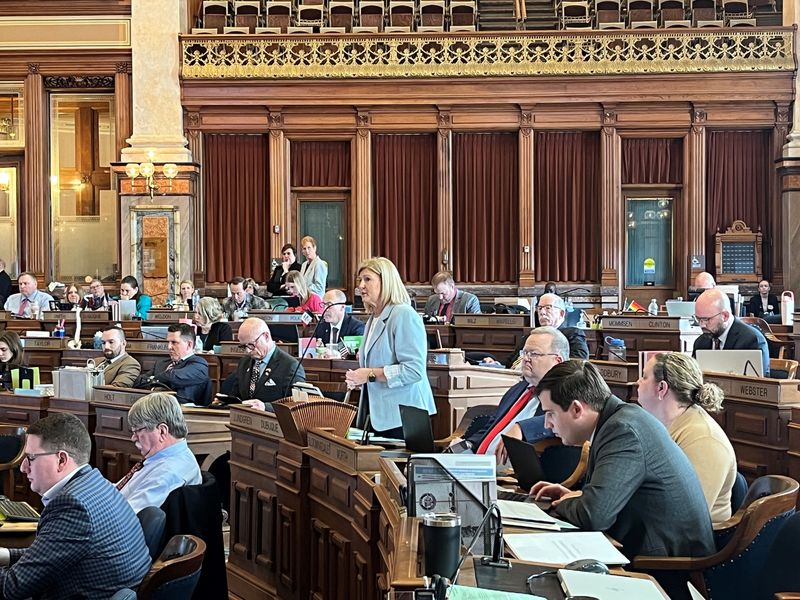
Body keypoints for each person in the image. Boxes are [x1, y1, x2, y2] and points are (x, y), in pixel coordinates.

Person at [531, 360, 715, 559]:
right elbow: (600, 505)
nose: (547, 424)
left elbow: (595, 516)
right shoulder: (617, 421)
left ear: (577, 409)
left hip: (666, 568)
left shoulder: (622, 431)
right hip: (649, 551)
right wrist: (577, 498)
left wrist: (563, 503)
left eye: (550, 413)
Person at [0, 413, 151, 598]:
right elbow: (50, 555)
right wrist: (6, 554)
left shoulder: (72, 507)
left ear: (61, 460)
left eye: (30, 458)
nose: (23, 467)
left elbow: (12, 587)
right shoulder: (96, 484)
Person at [637, 353, 737, 525]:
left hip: (688, 546)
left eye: (644, 376)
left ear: (662, 388)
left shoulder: (705, 441)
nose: (638, 382)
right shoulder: (662, 423)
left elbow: (685, 515)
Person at [344, 257, 435, 438]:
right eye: (359, 280)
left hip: (403, 418)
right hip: (379, 416)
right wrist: (358, 378)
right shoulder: (373, 318)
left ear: (385, 281)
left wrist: (369, 374)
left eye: (367, 279)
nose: (361, 286)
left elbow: (414, 370)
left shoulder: (403, 314)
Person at [466, 327, 569, 461]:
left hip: (511, 475)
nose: (525, 359)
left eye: (534, 354)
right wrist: (467, 444)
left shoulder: (566, 391)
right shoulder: (518, 389)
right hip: (477, 465)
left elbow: (564, 417)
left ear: (557, 361)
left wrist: (521, 427)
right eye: (524, 353)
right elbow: (493, 426)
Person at [116, 392, 202, 513]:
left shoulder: (168, 473)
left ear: (161, 431)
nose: (133, 438)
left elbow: (126, 516)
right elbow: (122, 490)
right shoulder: (163, 458)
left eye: (137, 431)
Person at [483, 292, 588, 369]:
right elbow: (511, 361)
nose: (542, 312)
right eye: (540, 308)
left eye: (548, 308)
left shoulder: (572, 334)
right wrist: (496, 363)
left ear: (561, 313)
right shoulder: (532, 336)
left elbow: (579, 363)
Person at [224, 317, 305, 411]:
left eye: (251, 345)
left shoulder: (291, 366)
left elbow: (297, 405)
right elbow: (236, 396)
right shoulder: (244, 362)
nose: (248, 351)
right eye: (243, 346)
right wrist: (224, 402)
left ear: (266, 336)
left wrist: (266, 407)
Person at [693, 288, 770, 376]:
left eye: (706, 319)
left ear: (725, 316)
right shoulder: (700, 342)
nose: (702, 325)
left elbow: (760, 384)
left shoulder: (752, 339)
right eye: (698, 319)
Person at [135, 323, 211, 405]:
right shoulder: (161, 363)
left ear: (189, 345)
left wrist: (153, 381)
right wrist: (156, 387)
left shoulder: (199, 364)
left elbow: (173, 377)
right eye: (168, 342)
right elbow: (139, 382)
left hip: (185, 414)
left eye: (174, 342)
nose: (169, 347)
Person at [315, 289, 365, 358]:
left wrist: (336, 354)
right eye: (323, 305)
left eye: (329, 305)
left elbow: (357, 355)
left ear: (342, 307)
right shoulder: (321, 326)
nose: (325, 309)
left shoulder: (356, 327)